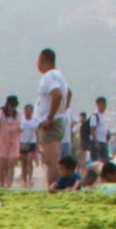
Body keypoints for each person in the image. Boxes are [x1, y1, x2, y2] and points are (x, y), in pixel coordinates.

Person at [33, 49, 72, 189]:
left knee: (52, 161)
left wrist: (50, 117)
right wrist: (63, 110)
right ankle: (54, 187)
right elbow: (69, 93)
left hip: (50, 122)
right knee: (51, 160)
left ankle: (54, 189)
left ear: (42, 60)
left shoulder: (50, 76)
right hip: (56, 119)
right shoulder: (59, 76)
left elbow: (57, 94)